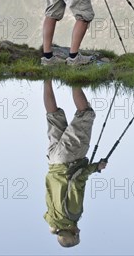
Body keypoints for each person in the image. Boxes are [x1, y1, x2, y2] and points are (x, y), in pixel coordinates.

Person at [43, 79, 107, 248]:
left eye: (77, 234)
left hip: (69, 158)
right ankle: (47, 77)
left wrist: (96, 167)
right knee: (53, 115)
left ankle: (74, 77)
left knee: (85, 113)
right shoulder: (53, 217)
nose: (79, 231)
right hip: (53, 162)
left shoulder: (73, 214)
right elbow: (51, 225)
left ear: (72, 232)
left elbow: (77, 181)